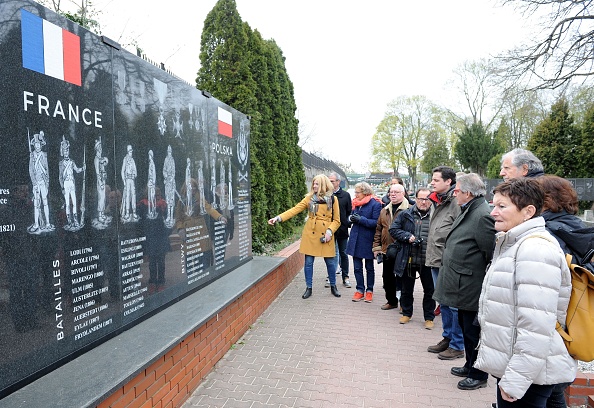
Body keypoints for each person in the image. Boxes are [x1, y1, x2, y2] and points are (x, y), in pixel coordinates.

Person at [474, 178, 577, 407]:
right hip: (531, 369)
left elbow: (537, 325)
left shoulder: (534, 250)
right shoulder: (515, 243)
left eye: (502, 206)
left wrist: (517, 379)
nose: (493, 212)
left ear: (528, 211)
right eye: (494, 205)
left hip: (529, 374)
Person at [432, 173, 495, 390]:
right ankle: (470, 364)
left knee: (473, 331)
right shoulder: (471, 208)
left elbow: (490, 252)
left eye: (457, 190)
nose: (454, 194)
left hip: (471, 283)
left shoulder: (482, 215)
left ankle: (478, 375)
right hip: (463, 282)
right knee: (466, 327)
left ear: (467, 192)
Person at [538, 174, 585, 407]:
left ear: (545, 200)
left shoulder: (547, 232)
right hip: (575, 317)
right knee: (555, 390)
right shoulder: (578, 227)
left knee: (546, 391)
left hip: (552, 319)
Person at [268, 174, 341, 299]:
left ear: (323, 184)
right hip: (311, 233)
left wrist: (329, 232)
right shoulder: (309, 199)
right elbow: (294, 210)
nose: (314, 186)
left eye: (317, 184)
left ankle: (333, 286)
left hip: (326, 234)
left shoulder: (333, 199)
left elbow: (337, 221)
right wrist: (278, 218)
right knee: (308, 262)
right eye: (313, 183)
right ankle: (309, 288)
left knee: (330, 262)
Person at [425, 166, 464, 359]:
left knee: (453, 303)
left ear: (449, 181)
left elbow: (459, 232)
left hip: (448, 261)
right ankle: (448, 338)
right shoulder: (439, 201)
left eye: (436, 180)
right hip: (436, 259)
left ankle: (457, 344)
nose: (432, 183)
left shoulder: (456, 201)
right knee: (444, 302)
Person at [389, 187, 435, 329]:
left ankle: (429, 317)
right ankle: (407, 313)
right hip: (408, 258)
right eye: (420, 199)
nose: (423, 202)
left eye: (427, 199)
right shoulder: (406, 214)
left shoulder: (436, 216)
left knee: (430, 290)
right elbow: (393, 230)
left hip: (427, 259)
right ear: (415, 199)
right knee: (406, 289)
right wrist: (407, 237)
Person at [372, 183, 409, 310]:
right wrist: (376, 247)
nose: (392, 194)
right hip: (387, 250)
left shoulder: (409, 209)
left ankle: (404, 304)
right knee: (387, 278)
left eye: (396, 192)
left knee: (404, 279)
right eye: (391, 192)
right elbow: (378, 229)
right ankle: (392, 301)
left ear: (403, 194)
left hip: (403, 250)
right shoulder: (384, 210)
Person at [347, 182, 382, 303]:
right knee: (357, 267)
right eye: (355, 192)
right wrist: (350, 218)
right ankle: (360, 290)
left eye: (358, 192)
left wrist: (361, 219)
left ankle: (369, 291)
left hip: (367, 240)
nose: (355, 195)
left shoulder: (375, 204)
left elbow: (376, 223)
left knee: (369, 268)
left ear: (365, 192)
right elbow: (351, 216)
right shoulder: (356, 203)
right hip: (355, 239)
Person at [328, 172, 352, 288]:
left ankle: (345, 277)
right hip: (329, 230)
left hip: (342, 229)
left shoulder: (346, 195)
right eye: (329, 181)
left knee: (343, 253)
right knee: (331, 254)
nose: (330, 183)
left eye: (332, 181)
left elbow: (348, 211)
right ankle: (331, 277)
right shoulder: (326, 195)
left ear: (338, 182)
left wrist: (346, 223)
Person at [121, 144, 139, 222]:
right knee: (127, 196)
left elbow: (135, 171)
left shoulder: (132, 160)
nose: (131, 152)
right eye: (130, 151)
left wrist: (134, 175)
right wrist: (124, 181)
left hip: (132, 180)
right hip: (127, 180)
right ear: (128, 152)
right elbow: (122, 171)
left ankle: (134, 212)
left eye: (131, 151)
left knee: (133, 195)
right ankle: (127, 212)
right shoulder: (125, 159)